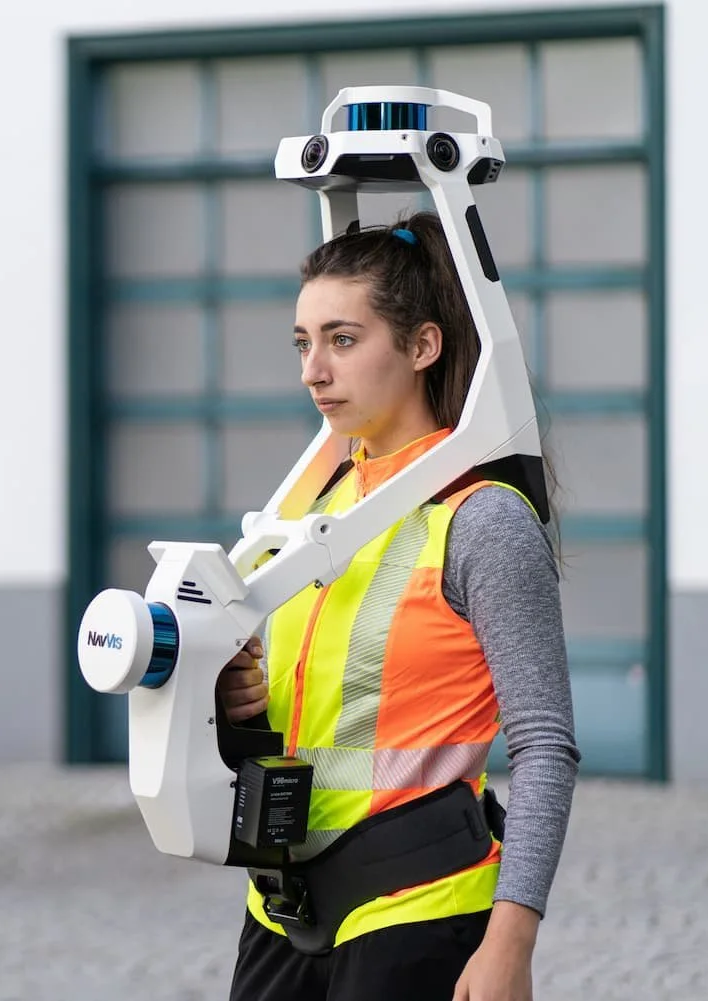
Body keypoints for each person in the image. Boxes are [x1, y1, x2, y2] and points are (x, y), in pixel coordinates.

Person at [215, 210, 581, 1001]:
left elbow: (546, 746)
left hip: (417, 907)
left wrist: (509, 943)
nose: (315, 369)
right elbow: (324, 709)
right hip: (283, 904)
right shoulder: (309, 503)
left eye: (343, 339)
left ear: (422, 346)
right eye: (303, 342)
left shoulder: (481, 518)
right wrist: (242, 706)